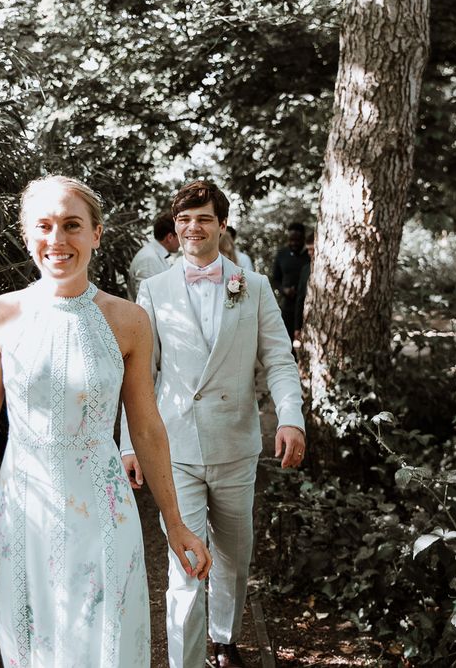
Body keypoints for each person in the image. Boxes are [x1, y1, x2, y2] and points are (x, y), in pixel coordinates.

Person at [0, 175, 210, 668]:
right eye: (45, 226)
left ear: (96, 234)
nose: (57, 240)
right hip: (24, 512)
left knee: (108, 647)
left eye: (72, 225)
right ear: (27, 235)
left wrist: (176, 524)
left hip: (103, 515)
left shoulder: (129, 321)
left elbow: (145, 428)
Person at [120, 180, 306, 668]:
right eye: (183, 220)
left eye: (202, 218)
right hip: (173, 448)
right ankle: (187, 660)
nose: (192, 228)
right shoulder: (153, 289)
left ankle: (224, 640)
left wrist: (291, 418)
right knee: (184, 566)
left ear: (221, 225)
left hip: (236, 445)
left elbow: (280, 362)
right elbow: (140, 375)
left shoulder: (256, 286)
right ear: (174, 227)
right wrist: (129, 444)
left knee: (233, 555)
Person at [128, 212, 180, 299]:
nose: (182, 242)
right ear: (170, 237)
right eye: (180, 236)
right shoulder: (149, 259)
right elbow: (145, 300)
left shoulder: (154, 254)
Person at [272, 222, 309, 339]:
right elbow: (275, 279)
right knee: (286, 339)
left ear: (303, 238)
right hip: (287, 305)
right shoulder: (282, 254)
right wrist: (284, 290)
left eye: (297, 240)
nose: (294, 243)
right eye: (291, 240)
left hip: (306, 304)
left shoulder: (310, 254)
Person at [293, 232, 315, 347]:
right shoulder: (305, 269)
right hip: (307, 322)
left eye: (313, 249)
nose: (310, 253)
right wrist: (297, 327)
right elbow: (300, 298)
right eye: (308, 250)